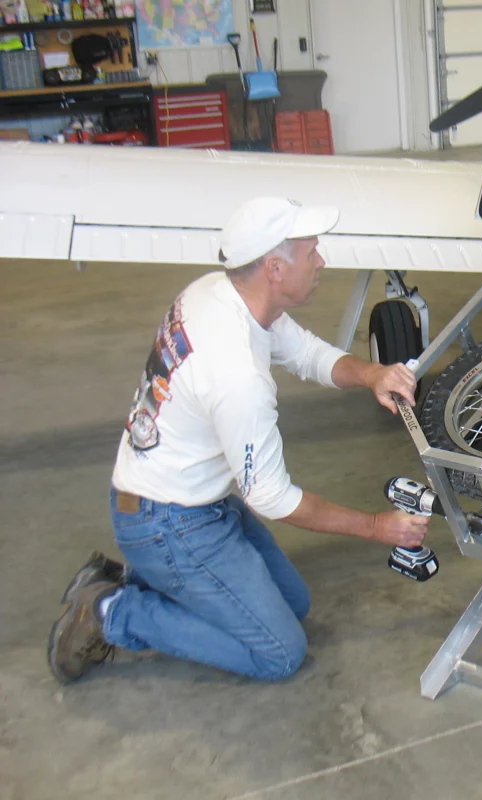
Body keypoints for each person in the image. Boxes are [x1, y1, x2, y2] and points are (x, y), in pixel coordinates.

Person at [48, 197, 429, 683]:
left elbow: (304, 352)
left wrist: (373, 373)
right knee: (279, 652)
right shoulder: (238, 376)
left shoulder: (219, 293)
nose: (321, 261)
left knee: (296, 602)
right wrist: (378, 527)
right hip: (166, 521)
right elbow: (273, 497)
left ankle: (148, 580)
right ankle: (110, 609)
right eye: (311, 252)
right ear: (274, 268)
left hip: (189, 502)